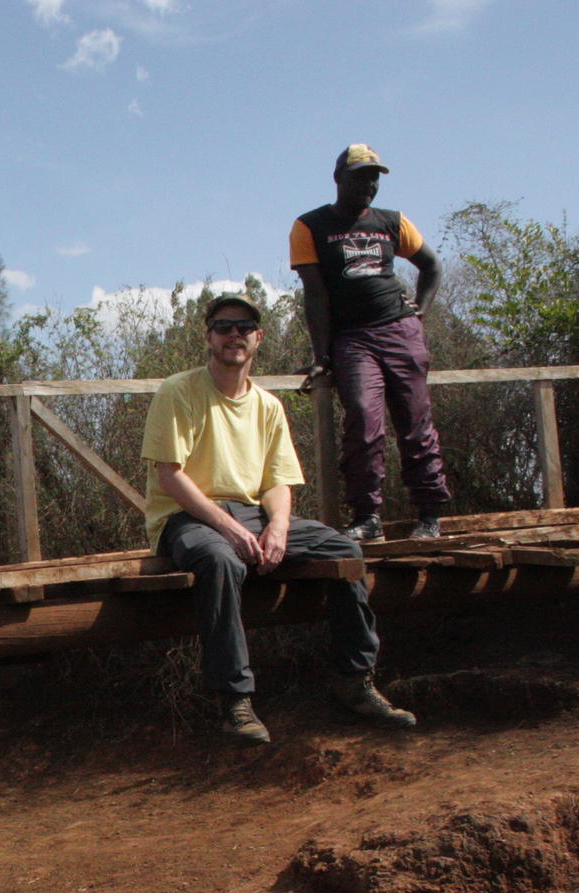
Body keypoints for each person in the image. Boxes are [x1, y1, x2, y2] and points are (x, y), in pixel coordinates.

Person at [142, 292, 415, 744]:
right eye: (224, 326)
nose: (235, 334)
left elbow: (278, 483)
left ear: (258, 338)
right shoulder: (180, 390)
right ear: (208, 336)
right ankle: (235, 702)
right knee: (221, 561)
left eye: (245, 327)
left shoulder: (268, 405)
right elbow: (170, 476)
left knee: (344, 549)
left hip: (253, 512)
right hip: (186, 517)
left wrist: (279, 527)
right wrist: (227, 528)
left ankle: (354, 680)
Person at [291, 143, 452, 543]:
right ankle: (367, 516)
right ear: (338, 178)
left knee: (415, 422)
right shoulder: (310, 226)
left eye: (373, 177)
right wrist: (321, 356)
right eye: (359, 176)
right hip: (354, 338)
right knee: (363, 420)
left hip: (399, 329)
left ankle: (429, 515)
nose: (368, 184)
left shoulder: (392, 222)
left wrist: (421, 310)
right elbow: (315, 294)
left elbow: (431, 264)